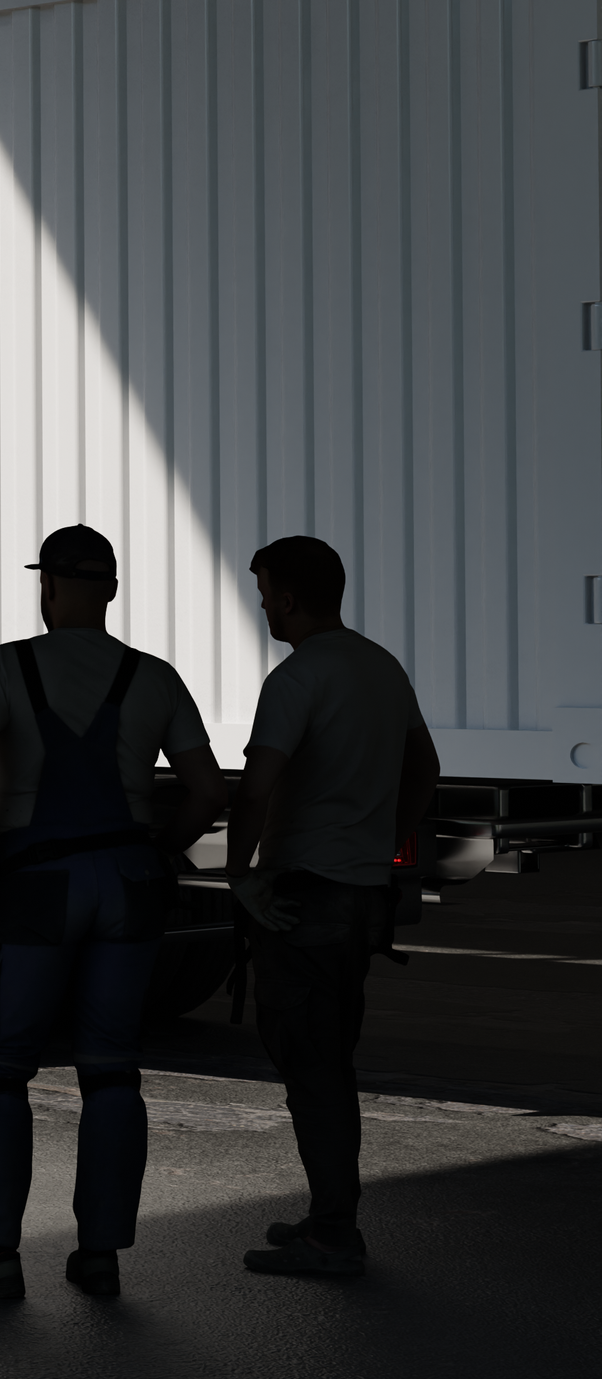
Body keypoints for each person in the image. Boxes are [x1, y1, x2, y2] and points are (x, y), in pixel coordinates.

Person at [0, 525, 226, 1301]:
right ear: (112, 590)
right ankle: (99, 1256)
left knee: (0, 1070)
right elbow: (206, 789)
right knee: (111, 1068)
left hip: (36, 884)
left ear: (48, 585)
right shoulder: (154, 678)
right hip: (128, 884)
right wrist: (160, 847)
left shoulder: (8, 666)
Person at [230, 535, 439, 1277]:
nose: (263, 607)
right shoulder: (381, 666)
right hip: (359, 895)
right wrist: (384, 838)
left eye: (264, 594)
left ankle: (332, 1236)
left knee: (310, 1064)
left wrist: (240, 875)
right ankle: (328, 1215)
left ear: (287, 599)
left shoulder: (297, 678)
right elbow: (426, 767)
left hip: (305, 895)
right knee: (330, 1058)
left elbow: (256, 788)